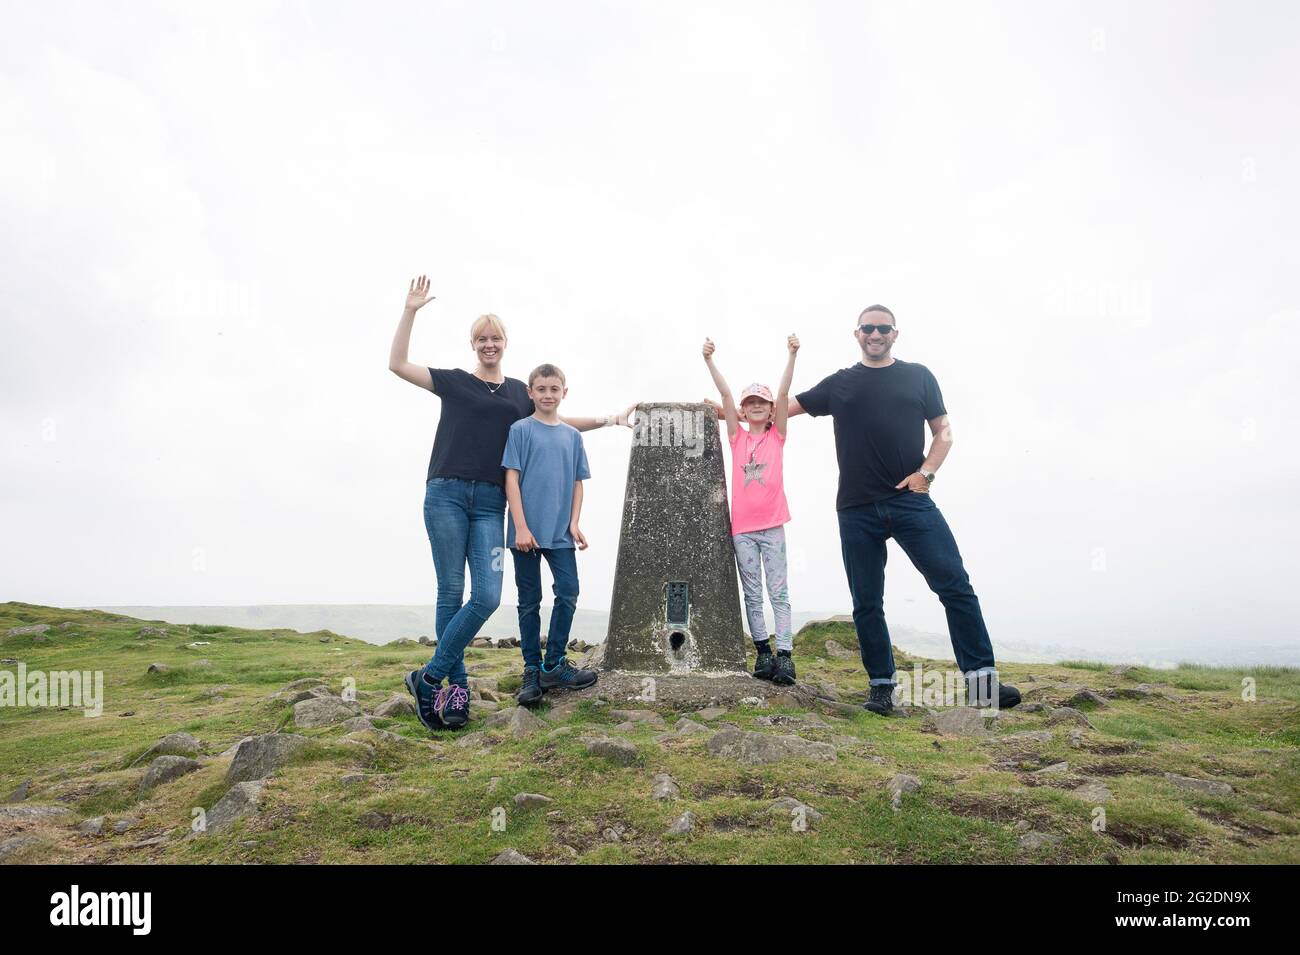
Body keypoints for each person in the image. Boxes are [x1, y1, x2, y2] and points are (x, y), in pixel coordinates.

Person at [387, 275, 634, 730]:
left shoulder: (522, 391)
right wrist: (411, 311)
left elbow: (557, 421)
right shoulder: (455, 381)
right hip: (444, 492)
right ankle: (455, 692)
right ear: (472, 344)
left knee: (486, 595)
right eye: (481, 338)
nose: (488, 344)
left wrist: (609, 419)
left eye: (495, 338)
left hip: (489, 503)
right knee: (450, 592)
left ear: (505, 343)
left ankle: (428, 677)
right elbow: (398, 364)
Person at [791, 305, 1020, 714]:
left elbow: (944, 432)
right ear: (856, 333)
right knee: (866, 602)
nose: (875, 334)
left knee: (954, 585)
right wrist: (723, 410)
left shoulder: (919, 376)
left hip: (911, 502)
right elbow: (777, 411)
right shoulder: (839, 384)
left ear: (895, 334)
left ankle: (983, 684)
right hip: (856, 509)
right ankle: (881, 688)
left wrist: (926, 473)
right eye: (868, 328)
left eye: (883, 328)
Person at [702, 334, 800, 685]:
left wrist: (791, 355)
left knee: (779, 593)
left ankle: (785, 656)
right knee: (753, 593)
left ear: (772, 410)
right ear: (743, 411)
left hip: (773, 526)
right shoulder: (737, 437)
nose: (756, 405)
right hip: (742, 528)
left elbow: (786, 393)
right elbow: (726, 397)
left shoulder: (777, 436)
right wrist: (710, 361)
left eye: (763, 401)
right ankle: (763, 653)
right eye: (750, 402)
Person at [503, 364, 600, 705]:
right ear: (530, 392)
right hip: (525, 534)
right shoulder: (520, 430)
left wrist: (574, 523)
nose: (547, 394)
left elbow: (577, 483)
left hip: (560, 533)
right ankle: (531, 670)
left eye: (553, 389)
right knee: (529, 602)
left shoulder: (572, 436)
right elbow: (511, 478)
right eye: (541, 389)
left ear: (564, 393)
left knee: (569, 592)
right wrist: (521, 526)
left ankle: (554, 664)